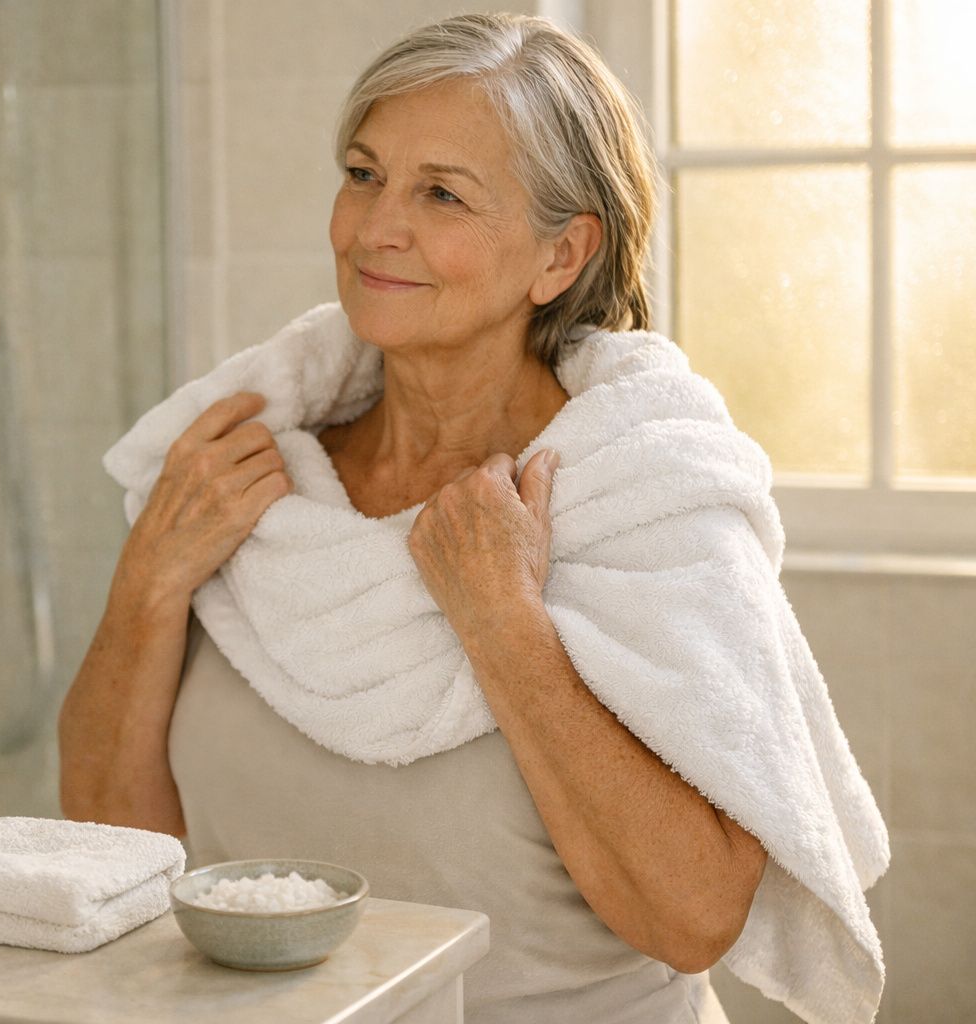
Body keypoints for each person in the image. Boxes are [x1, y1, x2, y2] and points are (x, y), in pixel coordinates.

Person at [59, 13, 885, 1023]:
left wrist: (504, 625)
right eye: (364, 174)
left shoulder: (643, 503)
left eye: (440, 194)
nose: (374, 228)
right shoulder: (246, 474)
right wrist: (148, 581)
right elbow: (117, 846)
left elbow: (695, 917)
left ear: (559, 255)